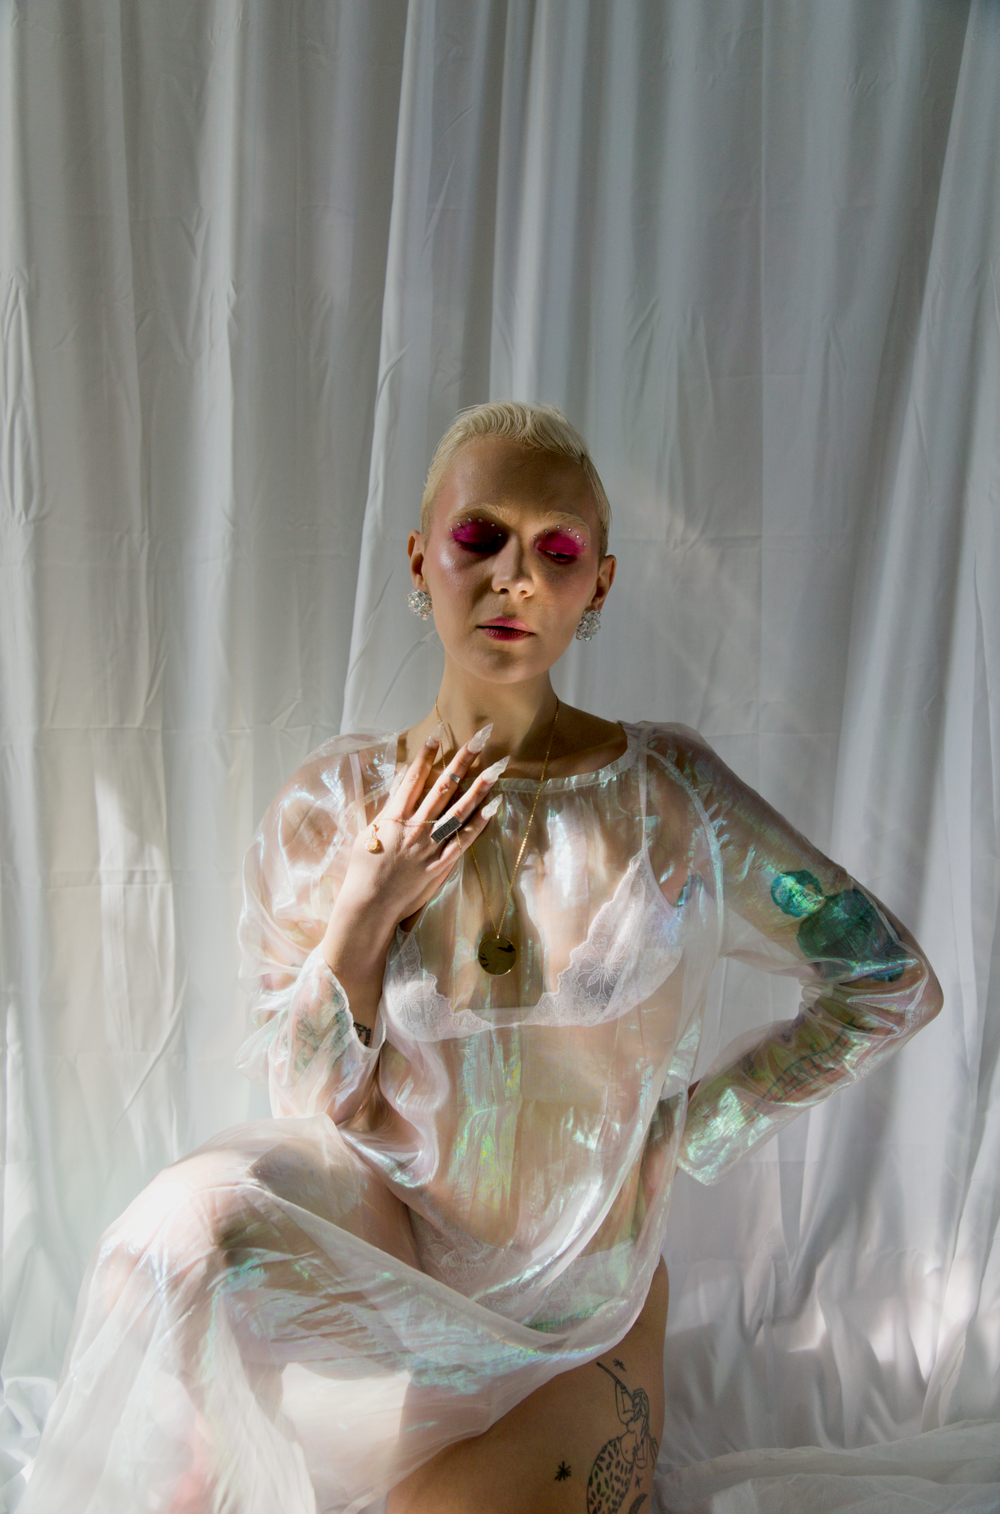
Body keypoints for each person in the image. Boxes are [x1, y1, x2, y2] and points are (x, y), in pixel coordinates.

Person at [23, 402, 942, 1514]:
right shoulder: (333, 807)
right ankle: (208, 1463)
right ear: (423, 559)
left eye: (557, 550)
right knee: (172, 1236)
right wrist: (365, 912)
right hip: (388, 1270)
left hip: (580, 1309)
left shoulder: (672, 798)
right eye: (481, 537)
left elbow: (885, 978)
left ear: (598, 585)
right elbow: (306, 1099)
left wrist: (689, 1129)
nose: (515, 577)